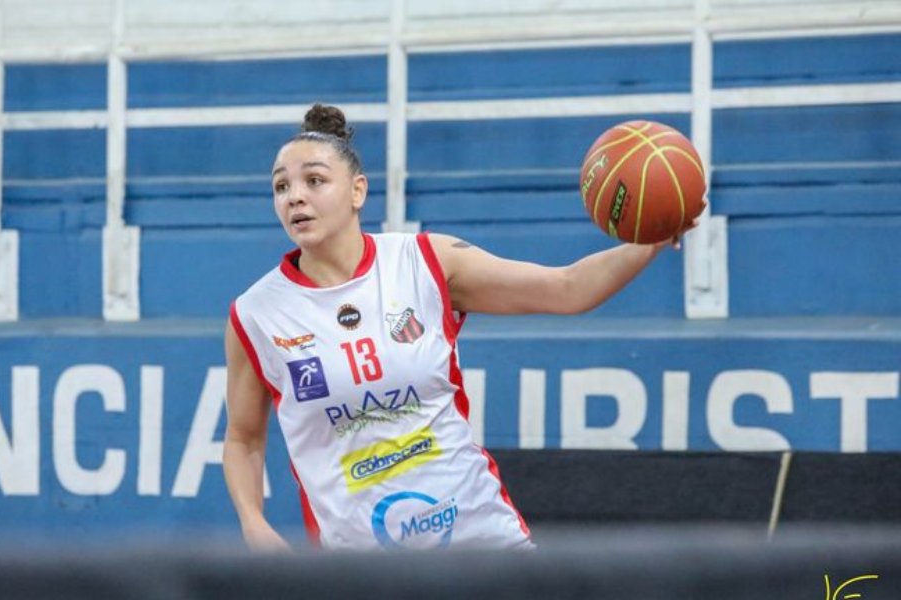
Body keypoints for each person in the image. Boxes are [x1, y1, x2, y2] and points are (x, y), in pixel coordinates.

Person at [223, 104, 702, 551]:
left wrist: (651, 240)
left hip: (481, 543)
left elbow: (567, 288)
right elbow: (244, 438)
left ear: (357, 191)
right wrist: (254, 524)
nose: (296, 197)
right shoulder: (257, 313)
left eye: (314, 180)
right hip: (360, 570)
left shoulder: (427, 261)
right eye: (282, 187)